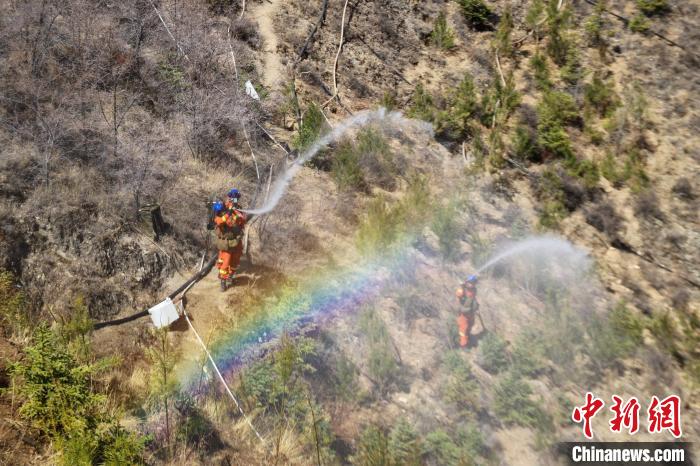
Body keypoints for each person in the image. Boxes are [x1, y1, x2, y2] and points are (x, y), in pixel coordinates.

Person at [213, 192, 247, 291]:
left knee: (235, 261)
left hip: (236, 240)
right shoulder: (221, 210)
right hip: (226, 242)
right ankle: (223, 281)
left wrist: (238, 214)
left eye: (236, 198)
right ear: (228, 198)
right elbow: (220, 221)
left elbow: (242, 221)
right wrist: (229, 212)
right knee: (225, 262)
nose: (234, 200)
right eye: (232, 198)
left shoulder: (238, 209)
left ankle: (230, 277)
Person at [455, 275, 479, 348]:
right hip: (464, 315)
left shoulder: (474, 290)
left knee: (470, 325)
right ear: (467, 282)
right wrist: (461, 287)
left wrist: (476, 306)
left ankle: (468, 338)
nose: (472, 284)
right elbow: (458, 294)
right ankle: (463, 346)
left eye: (474, 283)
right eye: (471, 283)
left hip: (471, 313)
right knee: (463, 329)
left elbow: (473, 299)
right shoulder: (463, 290)